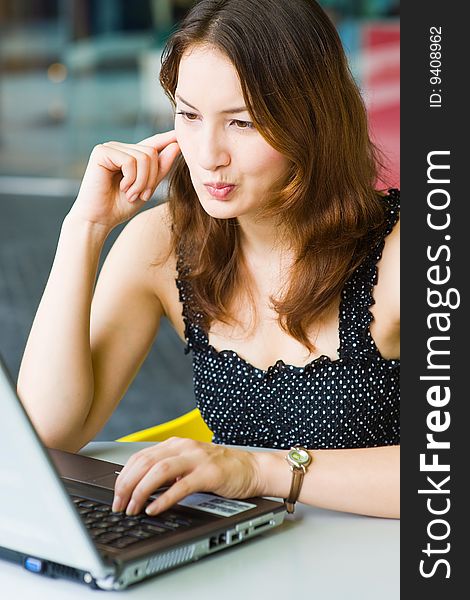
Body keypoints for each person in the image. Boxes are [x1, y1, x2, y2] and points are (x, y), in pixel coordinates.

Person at [17, 0, 400, 520]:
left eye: (242, 122)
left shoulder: (401, 251)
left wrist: (258, 470)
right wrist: (83, 229)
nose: (208, 153)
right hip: (246, 560)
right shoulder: (164, 243)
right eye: (189, 116)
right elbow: (44, 431)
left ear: (312, 120)